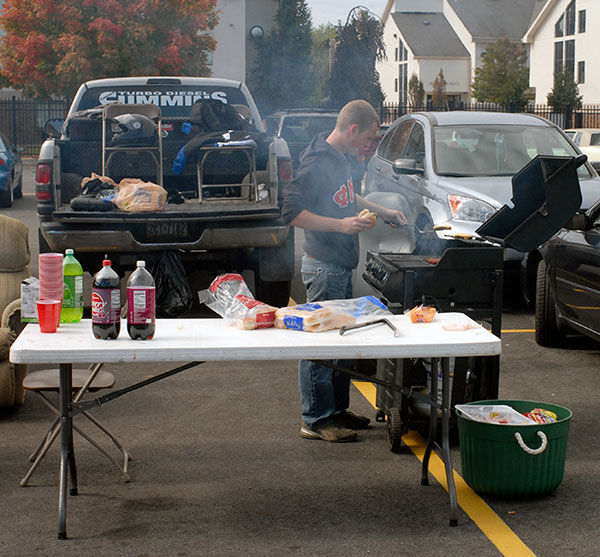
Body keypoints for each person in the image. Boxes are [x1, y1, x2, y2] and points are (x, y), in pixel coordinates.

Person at [281, 100, 407, 443]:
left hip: (338, 266)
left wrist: (382, 211)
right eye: (367, 138)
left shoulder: (337, 158)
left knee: (339, 343)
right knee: (321, 346)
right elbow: (290, 212)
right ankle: (316, 420)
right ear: (353, 130)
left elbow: (348, 197)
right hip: (323, 266)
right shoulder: (316, 162)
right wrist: (341, 225)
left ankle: (336, 411)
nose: (368, 145)